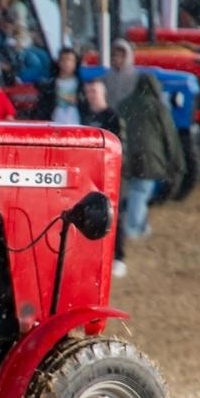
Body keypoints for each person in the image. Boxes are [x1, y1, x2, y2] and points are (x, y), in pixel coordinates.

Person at [115, 73, 184, 241]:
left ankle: (142, 227)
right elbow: (170, 136)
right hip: (150, 156)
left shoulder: (124, 104)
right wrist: (177, 161)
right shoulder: (158, 107)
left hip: (127, 154)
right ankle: (132, 229)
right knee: (141, 190)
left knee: (136, 189)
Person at [81, 79, 128, 277]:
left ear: (103, 93)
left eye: (95, 91)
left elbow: (120, 146)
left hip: (109, 173)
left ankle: (119, 257)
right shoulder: (85, 116)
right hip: (89, 174)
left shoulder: (112, 117)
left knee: (113, 214)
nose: (92, 95)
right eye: (89, 92)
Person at [35, 48, 82, 124]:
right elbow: (44, 107)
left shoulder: (82, 85)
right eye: (64, 60)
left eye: (70, 60)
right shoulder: (50, 85)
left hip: (78, 125)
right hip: (55, 124)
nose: (67, 63)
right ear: (58, 62)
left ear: (75, 63)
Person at [103, 39, 138, 107]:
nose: (117, 59)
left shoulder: (138, 78)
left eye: (121, 56)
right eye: (114, 55)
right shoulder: (104, 78)